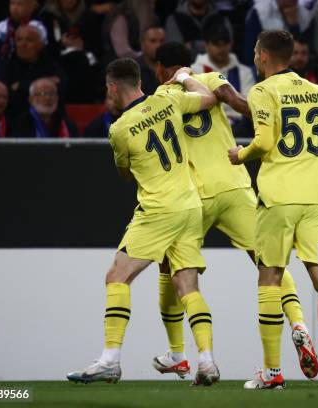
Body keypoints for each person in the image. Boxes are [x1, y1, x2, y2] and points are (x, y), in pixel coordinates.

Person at [153, 41, 317, 380]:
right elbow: (239, 104)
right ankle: (298, 322)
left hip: (193, 196)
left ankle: (178, 353)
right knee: (268, 262)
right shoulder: (212, 79)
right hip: (235, 185)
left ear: (159, 69)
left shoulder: (161, 97)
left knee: (172, 268)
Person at [228, 30, 318, 390]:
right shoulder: (316, 89)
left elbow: (263, 142)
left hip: (280, 195)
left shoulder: (263, 91)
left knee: (270, 277)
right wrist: (314, 160)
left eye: (255, 53)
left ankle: (273, 372)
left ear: (263, 56)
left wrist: (240, 155)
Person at [66, 58, 220, 386]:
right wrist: (184, 77)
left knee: (117, 277)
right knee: (187, 286)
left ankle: (110, 359)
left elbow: (126, 173)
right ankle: (206, 361)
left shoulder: (119, 129)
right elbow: (210, 98)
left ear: (111, 87)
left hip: (158, 210)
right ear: (138, 80)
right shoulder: (169, 99)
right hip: (191, 205)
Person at [192, 23, 254, 132]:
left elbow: (250, 103)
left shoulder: (244, 72)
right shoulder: (195, 70)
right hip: (207, 125)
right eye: (216, 44)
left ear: (231, 44)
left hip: (239, 126)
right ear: (206, 45)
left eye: (225, 44)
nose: (222, 49)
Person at [0, 24, 66, 117]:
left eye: (29, 40)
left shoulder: (51, 64)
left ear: (41, 45)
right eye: (19, 40)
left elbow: (62, 86)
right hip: (15, 117)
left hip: (49, 115)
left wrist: (21, 85)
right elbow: (4, 94)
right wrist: (44, 84)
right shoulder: (5, 66)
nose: (23, 44)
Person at [242, 0, 315, 66]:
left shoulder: (305, 14)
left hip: (298, 68)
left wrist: (294, 26)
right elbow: (249, 53)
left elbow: (304, 49)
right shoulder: (259, 12)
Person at [10, 77, 77, 138]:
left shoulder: (67, 124)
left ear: (57, 98)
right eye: (42, 94)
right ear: (30, 99)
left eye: (52, 94)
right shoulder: (19, 123)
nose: (48, 98)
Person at [0, 0, 47, 71]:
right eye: (12, 3)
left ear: (30, 8)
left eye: (20, 4)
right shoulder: (2, 25)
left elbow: (43, 53)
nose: (15, 8)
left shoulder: (37, 27)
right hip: (5, 67)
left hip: (31, 68)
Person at [164, 0, 232, 57]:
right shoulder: (173, 20)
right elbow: (175, 52)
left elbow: (226, 49)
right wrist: (213, 46)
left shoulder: (222, 19)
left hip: (217, 69)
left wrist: (193, 45)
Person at [135, 25, 165, 95]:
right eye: (153, 41)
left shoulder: (172, 67)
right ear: (142, 44)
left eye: (161, 41)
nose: (158, 45)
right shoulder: (134, 69)